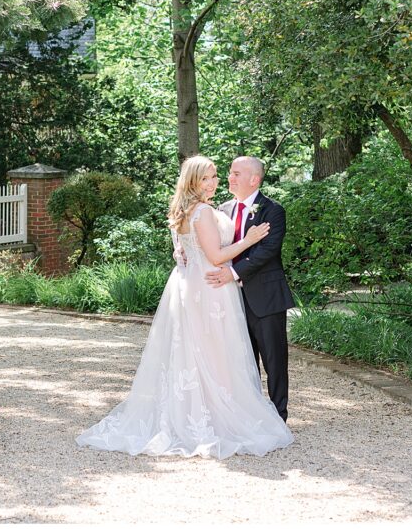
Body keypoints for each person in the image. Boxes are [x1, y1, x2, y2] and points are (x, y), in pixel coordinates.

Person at [76, 156, 293, 459]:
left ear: (253, 179)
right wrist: (244, 242)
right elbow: (213, 254)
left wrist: (194, 257)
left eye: (224, 175)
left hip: (242, 293)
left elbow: (263, 251)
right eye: (213, 176)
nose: (220, 181)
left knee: (247, 357)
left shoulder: (263, 210)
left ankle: (266, 415)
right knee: (218, 355)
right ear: (194, 181)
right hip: (213, 292)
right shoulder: (210, 210)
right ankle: (224, 417)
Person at [204, 156, 295, 422]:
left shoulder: (272, 210)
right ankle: (249, 416)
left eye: (235, 173)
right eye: (230, 173)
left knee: (274, 361)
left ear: (254, 179)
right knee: (241, 361)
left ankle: (279, 417)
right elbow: (214, 246)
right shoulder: (222, 209)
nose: (229, 178)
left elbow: (267, 251)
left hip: (265, 297)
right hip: (229, 299)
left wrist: (232, 273)